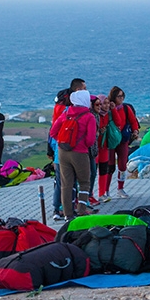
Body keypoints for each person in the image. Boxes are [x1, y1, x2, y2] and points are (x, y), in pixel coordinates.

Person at [49, 89, 97, 220]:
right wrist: (80, 144)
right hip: (80, 153)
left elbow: (53, 132)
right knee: (84, 182)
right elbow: (90, 140)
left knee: (66, 184)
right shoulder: (89, 117)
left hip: (63, 152)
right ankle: (81, 210)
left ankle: (67, 214)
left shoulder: (66, 113)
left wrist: (62, 142)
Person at [107, 86, 139, 199]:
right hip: (111, 140)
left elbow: (133, 120)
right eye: (119, 96)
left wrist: (135, 130)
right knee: (109, 166)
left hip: (123, 139)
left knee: (122, 164)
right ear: (114, 97)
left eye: (122, 96)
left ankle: (120, 188)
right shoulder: (108, 108)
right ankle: (106, 190)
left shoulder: (126, 108)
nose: (121, 98)